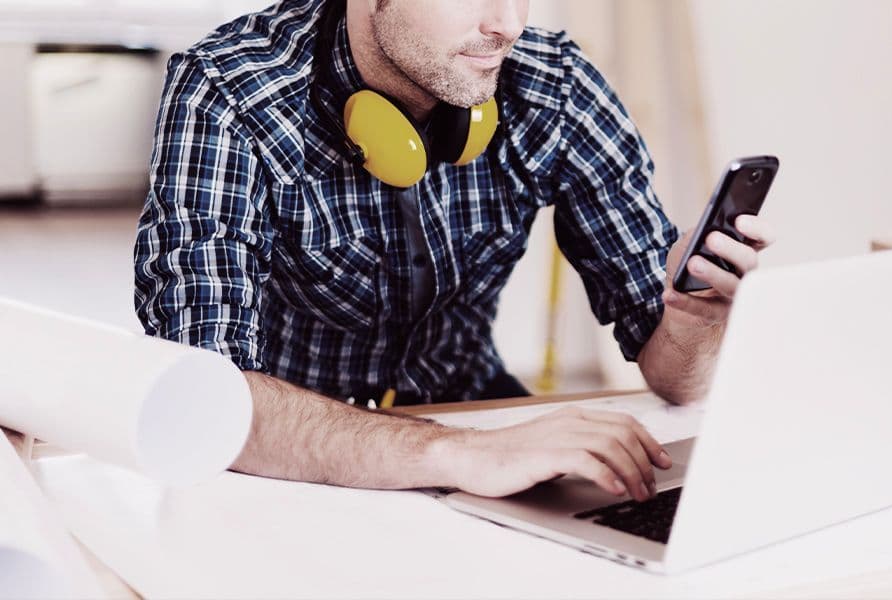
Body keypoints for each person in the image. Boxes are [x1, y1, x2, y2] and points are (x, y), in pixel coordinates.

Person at [134, 0, 775, 503]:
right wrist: (457, 452)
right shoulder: (229, 91)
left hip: (478, 414)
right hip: (288, 459)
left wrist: (693, 318)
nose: (508, 24)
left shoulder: (555, 86)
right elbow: (202, 400)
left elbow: (678, 381)